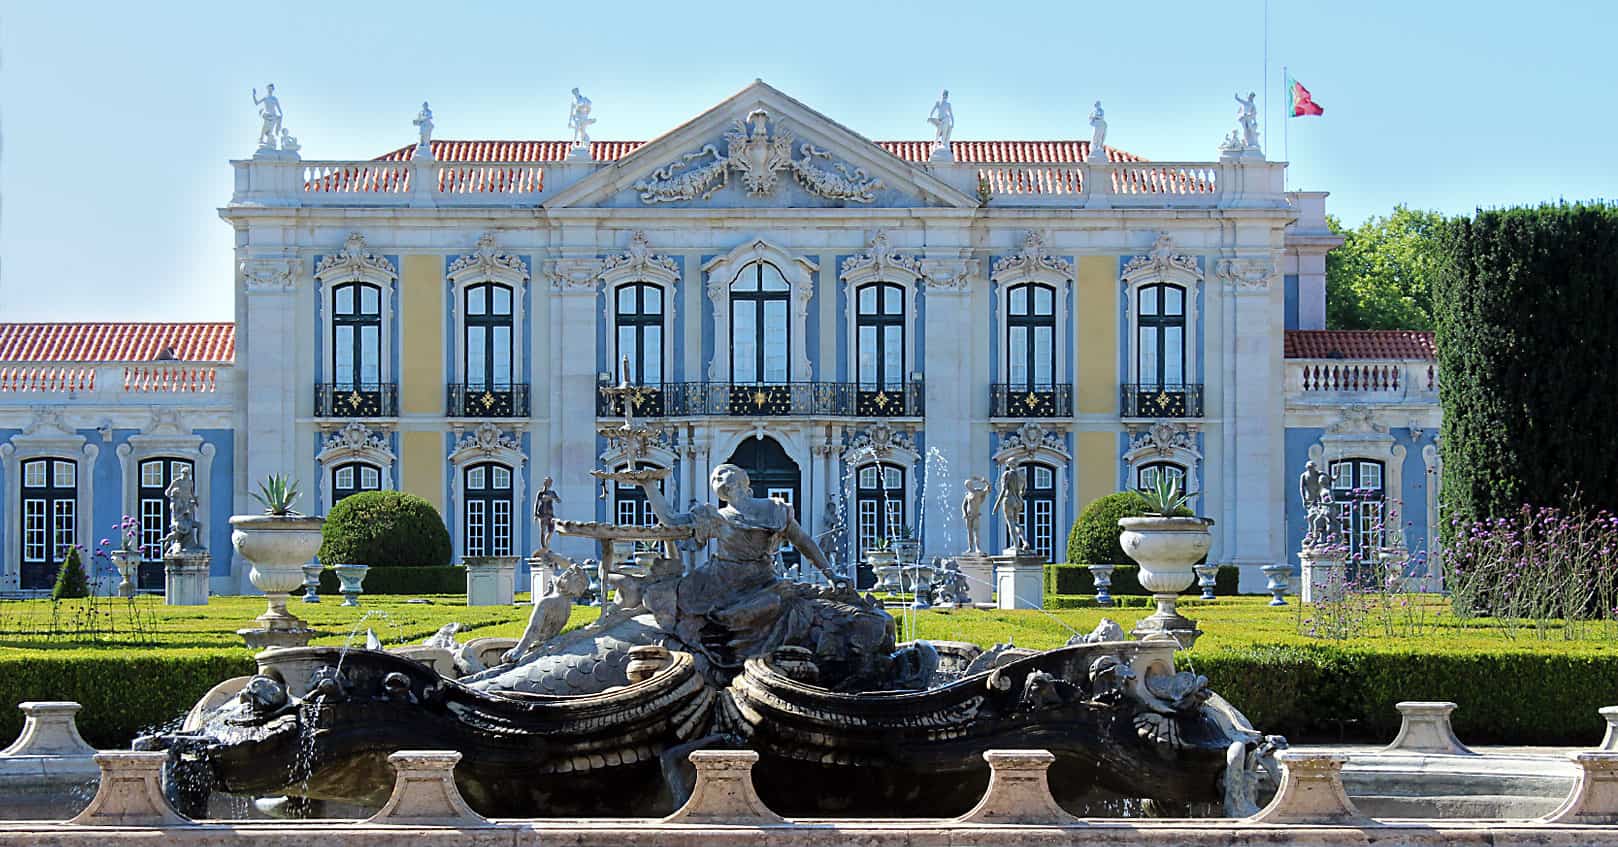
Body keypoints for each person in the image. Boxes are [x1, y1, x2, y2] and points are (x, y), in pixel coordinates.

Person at [992, 464, 1029, 553]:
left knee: (1010, 523)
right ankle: (1024, 541)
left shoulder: (1007, 474)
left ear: (1009, 465)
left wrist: (997, 504)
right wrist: (1018, 495)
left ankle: (1016, 546)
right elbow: (1024, 490)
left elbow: (1003, 490)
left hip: (1008, 499)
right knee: (1016, 523)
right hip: (1018, 501)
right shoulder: (1022, 475)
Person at [961, 475, 990, 555]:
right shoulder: (967, 495)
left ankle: (978, 548)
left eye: (969, 484)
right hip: (968, 516)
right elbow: (963, 506)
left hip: (976, 515)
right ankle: (970, 548)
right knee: (969, 532)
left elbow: (988, 489)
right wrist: (964, 513)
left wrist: (984, 481)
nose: (968, 486)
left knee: (976, 531)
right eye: (967, 485)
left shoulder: (978, 492)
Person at [534, 475, 561, 550]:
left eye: (550, 482)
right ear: (544, 483)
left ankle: (547, 544)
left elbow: (559, 501)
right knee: (543, 530)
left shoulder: (552, 492)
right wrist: (535, 514)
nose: (548, 484)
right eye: (547, 482)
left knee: (551, 531)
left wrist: (552, 497)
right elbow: (536, 503)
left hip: (550, 514)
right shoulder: (541, 493)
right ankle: (543, 547)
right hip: (542, 514)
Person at [252, 85, 282, 149]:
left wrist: (281, 115)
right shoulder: (265, 97)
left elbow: (279, 108)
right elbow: (256, 103)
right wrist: (254, 95)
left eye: (271, 89)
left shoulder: (274, 98)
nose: (270, 90)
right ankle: (261, 139)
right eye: (268, 89)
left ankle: (269, 143)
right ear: (267, 89)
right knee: (264, 128)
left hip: (273, 115)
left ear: (273, 89)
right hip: (267, 115)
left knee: (271, 130)